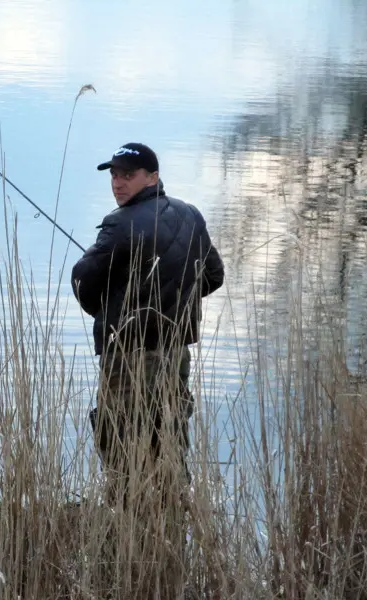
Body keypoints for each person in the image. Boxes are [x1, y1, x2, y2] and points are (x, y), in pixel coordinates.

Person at [71, 142, 225, 509]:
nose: (118, 183)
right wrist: (175, 304)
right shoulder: (191, 215)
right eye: (114, 175)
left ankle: (127, 511)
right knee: (170, 429)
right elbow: (214, 275)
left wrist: (107, 315)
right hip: (176, 351)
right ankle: (172, 509)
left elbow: (82, 278)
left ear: (153, 177)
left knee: (119, 432)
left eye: (128, 175)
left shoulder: (119, 222)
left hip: (127, 354)